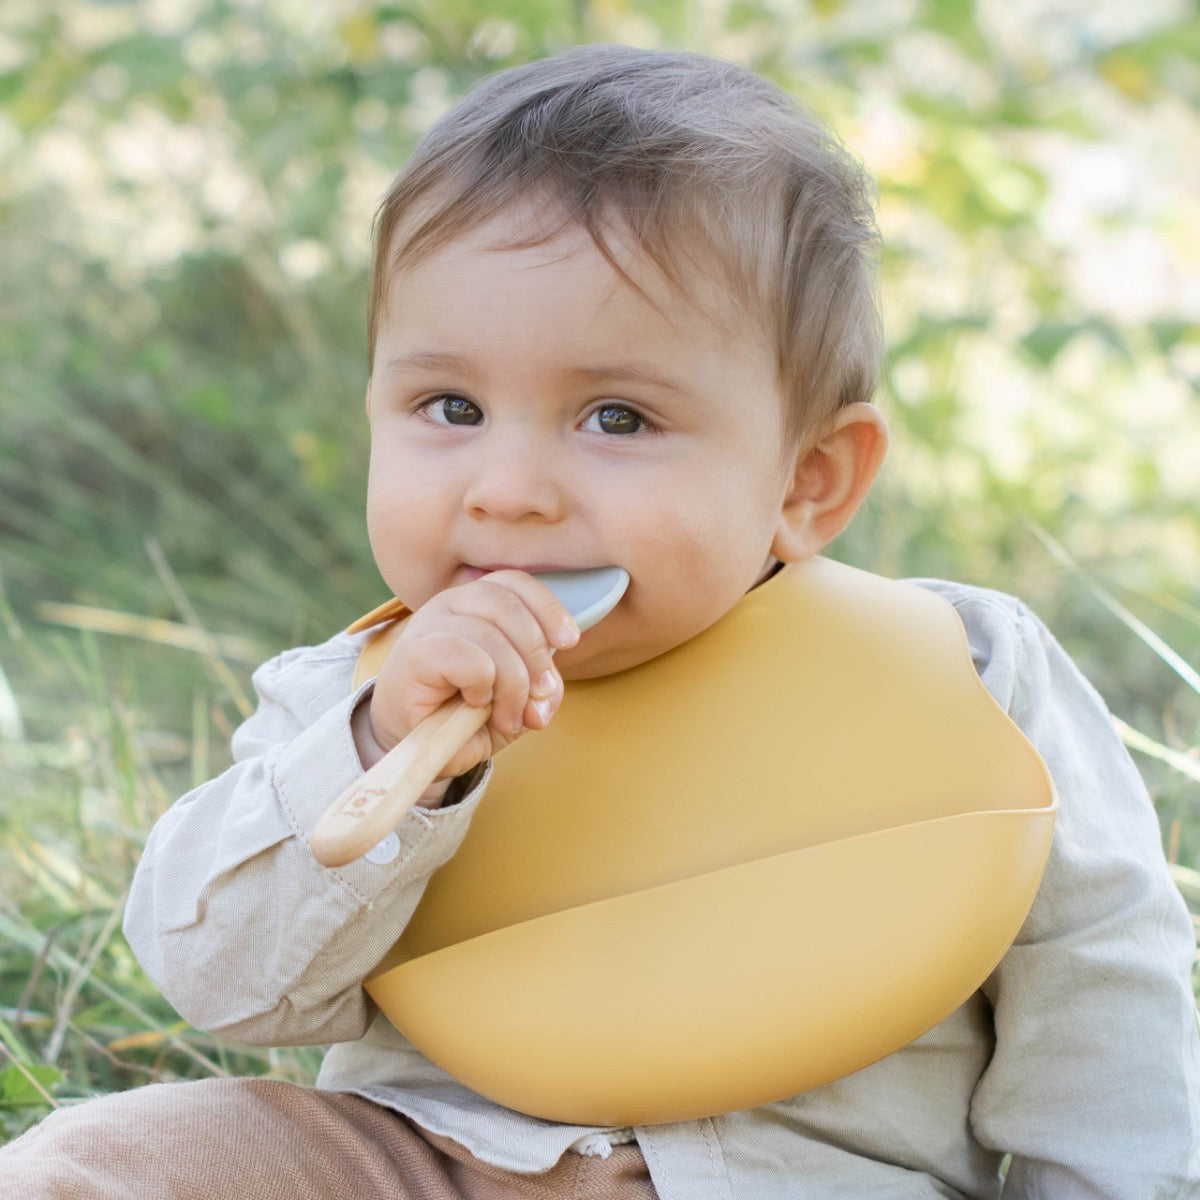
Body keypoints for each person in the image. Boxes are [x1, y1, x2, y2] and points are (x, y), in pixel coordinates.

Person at [4, 42, 1197, 1200]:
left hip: (815, 1179)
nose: (507, 486)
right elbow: (222, 983)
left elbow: (1102, 989)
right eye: (450, 404)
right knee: (113, 1160)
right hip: (433, 1158)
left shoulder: (969, 673)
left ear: (807, 481)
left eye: (616, 418)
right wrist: (376, 754)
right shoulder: (362, 693)